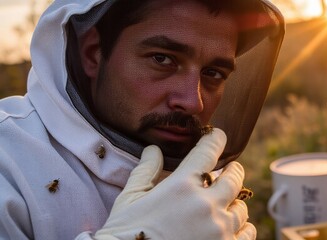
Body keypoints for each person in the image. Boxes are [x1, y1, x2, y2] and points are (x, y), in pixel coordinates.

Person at [0, 0, 284, 239]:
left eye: (213, 74)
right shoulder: (8, 162)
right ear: (92, 54)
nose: (192, 102)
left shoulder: (199, 170)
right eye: (162, 59)